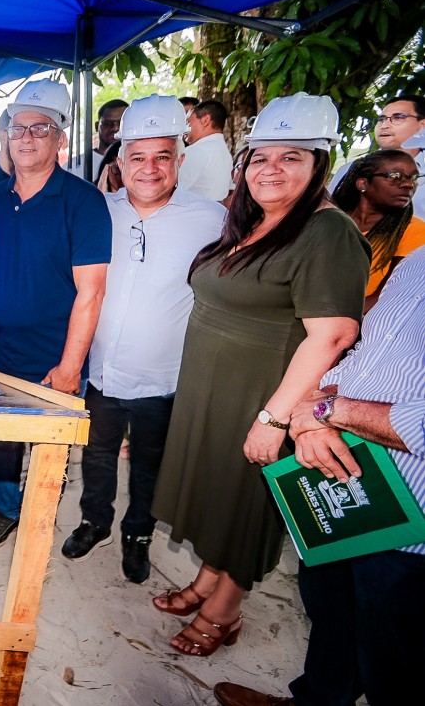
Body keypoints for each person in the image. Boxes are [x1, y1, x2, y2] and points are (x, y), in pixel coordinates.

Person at [150, 92, 370, 658]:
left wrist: (274, 418)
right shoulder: (254, 219)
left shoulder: (328, 232)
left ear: (319, 163)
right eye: (261, 156)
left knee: (246, 500)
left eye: (291, 157)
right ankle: (207, 579)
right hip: (212, 383)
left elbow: (333, 335)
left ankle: (225, 608)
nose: (271, 168)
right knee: (215, 492)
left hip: (263, 390)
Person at [212, 247, 425, 706]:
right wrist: (311, 416)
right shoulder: (418, 259)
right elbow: (368, 357)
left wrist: (328, 411)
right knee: (333, 619)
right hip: (348, 482)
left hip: (412, 519)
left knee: (396, 661)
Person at [59, 95, 226, 583]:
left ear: (180, 159)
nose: (149, 169)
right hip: (102, 369)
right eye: (138, 156)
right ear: (120, 157)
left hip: (166, 376)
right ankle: (95, 522)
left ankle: (138, 534)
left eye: (162, 156)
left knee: (152, 465)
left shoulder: (212, 219)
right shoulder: (96, 210)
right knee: (97, 456)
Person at [0, 78, 112, 550]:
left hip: (54, 353)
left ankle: (42, 507)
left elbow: (91, 293)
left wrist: (71, 365)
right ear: (7, 136)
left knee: (50, 443)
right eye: (18, 128)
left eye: (41, 128)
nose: (27, 137)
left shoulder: (83, 201)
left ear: (60, 139)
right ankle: (8, 507)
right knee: (0, 437)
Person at [332, 149, 424, 313]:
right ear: (363, 184)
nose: (408, 184)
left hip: (360, 326)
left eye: (414, 178)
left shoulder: (414, 230)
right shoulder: (327, 222)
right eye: (394, 176)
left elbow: (388, 296)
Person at [330, 94, 425, 203]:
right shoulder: (349, 170)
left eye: (398, 118)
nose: (384, 125)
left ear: (421, 125)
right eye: (381, 119)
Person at [178, 99, 234, 202]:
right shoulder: (225, 153)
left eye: (189, 122)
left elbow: (174, 189)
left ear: (205, 121)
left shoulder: (196, 151)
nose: (185, 129)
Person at [75, 98, 127, 183]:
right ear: (97, 126)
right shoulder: (75, 166)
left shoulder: (141, 162)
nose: (115, 128)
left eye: (121, 124)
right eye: (108, 123)